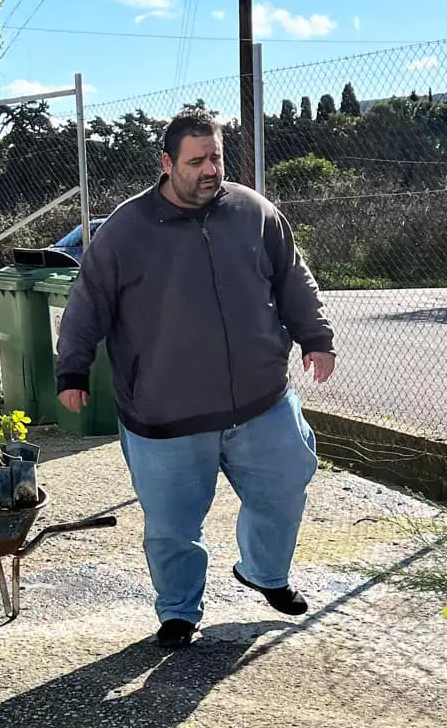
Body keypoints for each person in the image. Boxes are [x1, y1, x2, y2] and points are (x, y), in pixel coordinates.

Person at [53, 108, 337, 647]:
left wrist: (316, 337)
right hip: (166, 413)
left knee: (287, 482)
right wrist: (73, 368)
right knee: (172, 527)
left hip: (261, 399)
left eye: (217, 159)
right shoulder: (125, 231)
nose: (211, 170)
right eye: (197, 160)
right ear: (166, 163)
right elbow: (87, 303)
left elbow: (292, 275)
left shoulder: (253, 212)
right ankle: (180, 610)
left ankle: (264, 573)